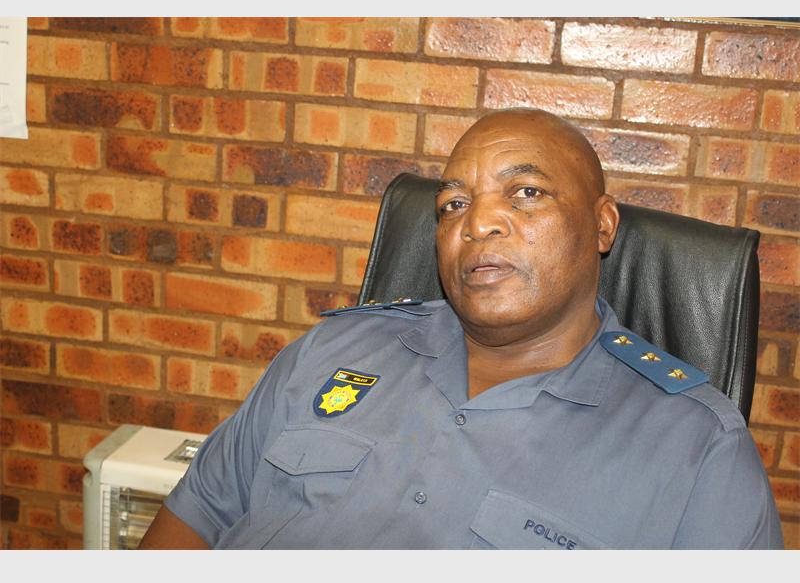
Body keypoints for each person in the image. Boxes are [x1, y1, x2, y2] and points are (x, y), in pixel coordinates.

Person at [139, 109, 783, 549]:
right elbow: (196, 519)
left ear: (603, 225)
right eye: (454, 204)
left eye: (526, 192)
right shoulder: (331, 350)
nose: (478, 223)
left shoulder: (696, 448)